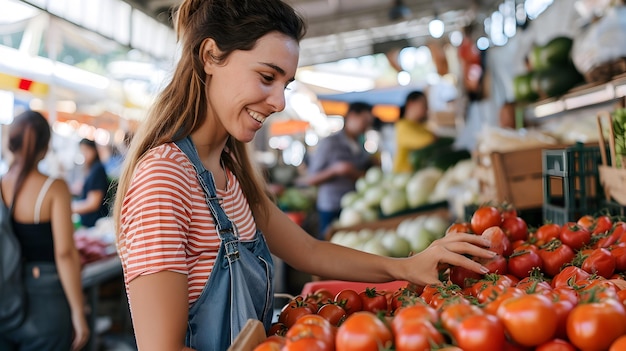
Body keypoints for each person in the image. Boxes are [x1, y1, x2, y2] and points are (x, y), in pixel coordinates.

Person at [112, 1, 495, 350]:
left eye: (285, 85)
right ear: (211, 56)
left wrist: (404, 267)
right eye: (266, 77)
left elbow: (308, 250)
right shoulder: (164, 180)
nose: (279, 102)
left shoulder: (230, 171)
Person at [0, 110, 89, 351]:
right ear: (45, 145)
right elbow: (65, 254)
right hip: (46, 300)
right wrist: (78, 313)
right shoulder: (54, 188)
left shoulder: (2, 184)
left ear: (10, 143)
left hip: (5, 299)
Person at [305, 101, 376, 239]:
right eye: (365, 120)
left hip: (354, 206)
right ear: (352, 116)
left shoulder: (360, 145)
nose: (367, 126)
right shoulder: (330, 143)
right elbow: (311, 179)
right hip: (331, 207)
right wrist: (335, 170)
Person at [393, 90, 436, 173]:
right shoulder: (402, 126)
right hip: (403, 175)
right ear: (411, 104)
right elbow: (429, 140)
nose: (426, 109)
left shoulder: (420, 125)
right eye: (424, 105)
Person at [71, 138, 110, 227]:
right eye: (82, 150)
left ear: (93, 150)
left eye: (86, 150)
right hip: (88, 221)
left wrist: (70, 207)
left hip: (95, 223)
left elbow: (93, 204)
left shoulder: (98, 169)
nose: (84, 154)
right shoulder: (91, 168)